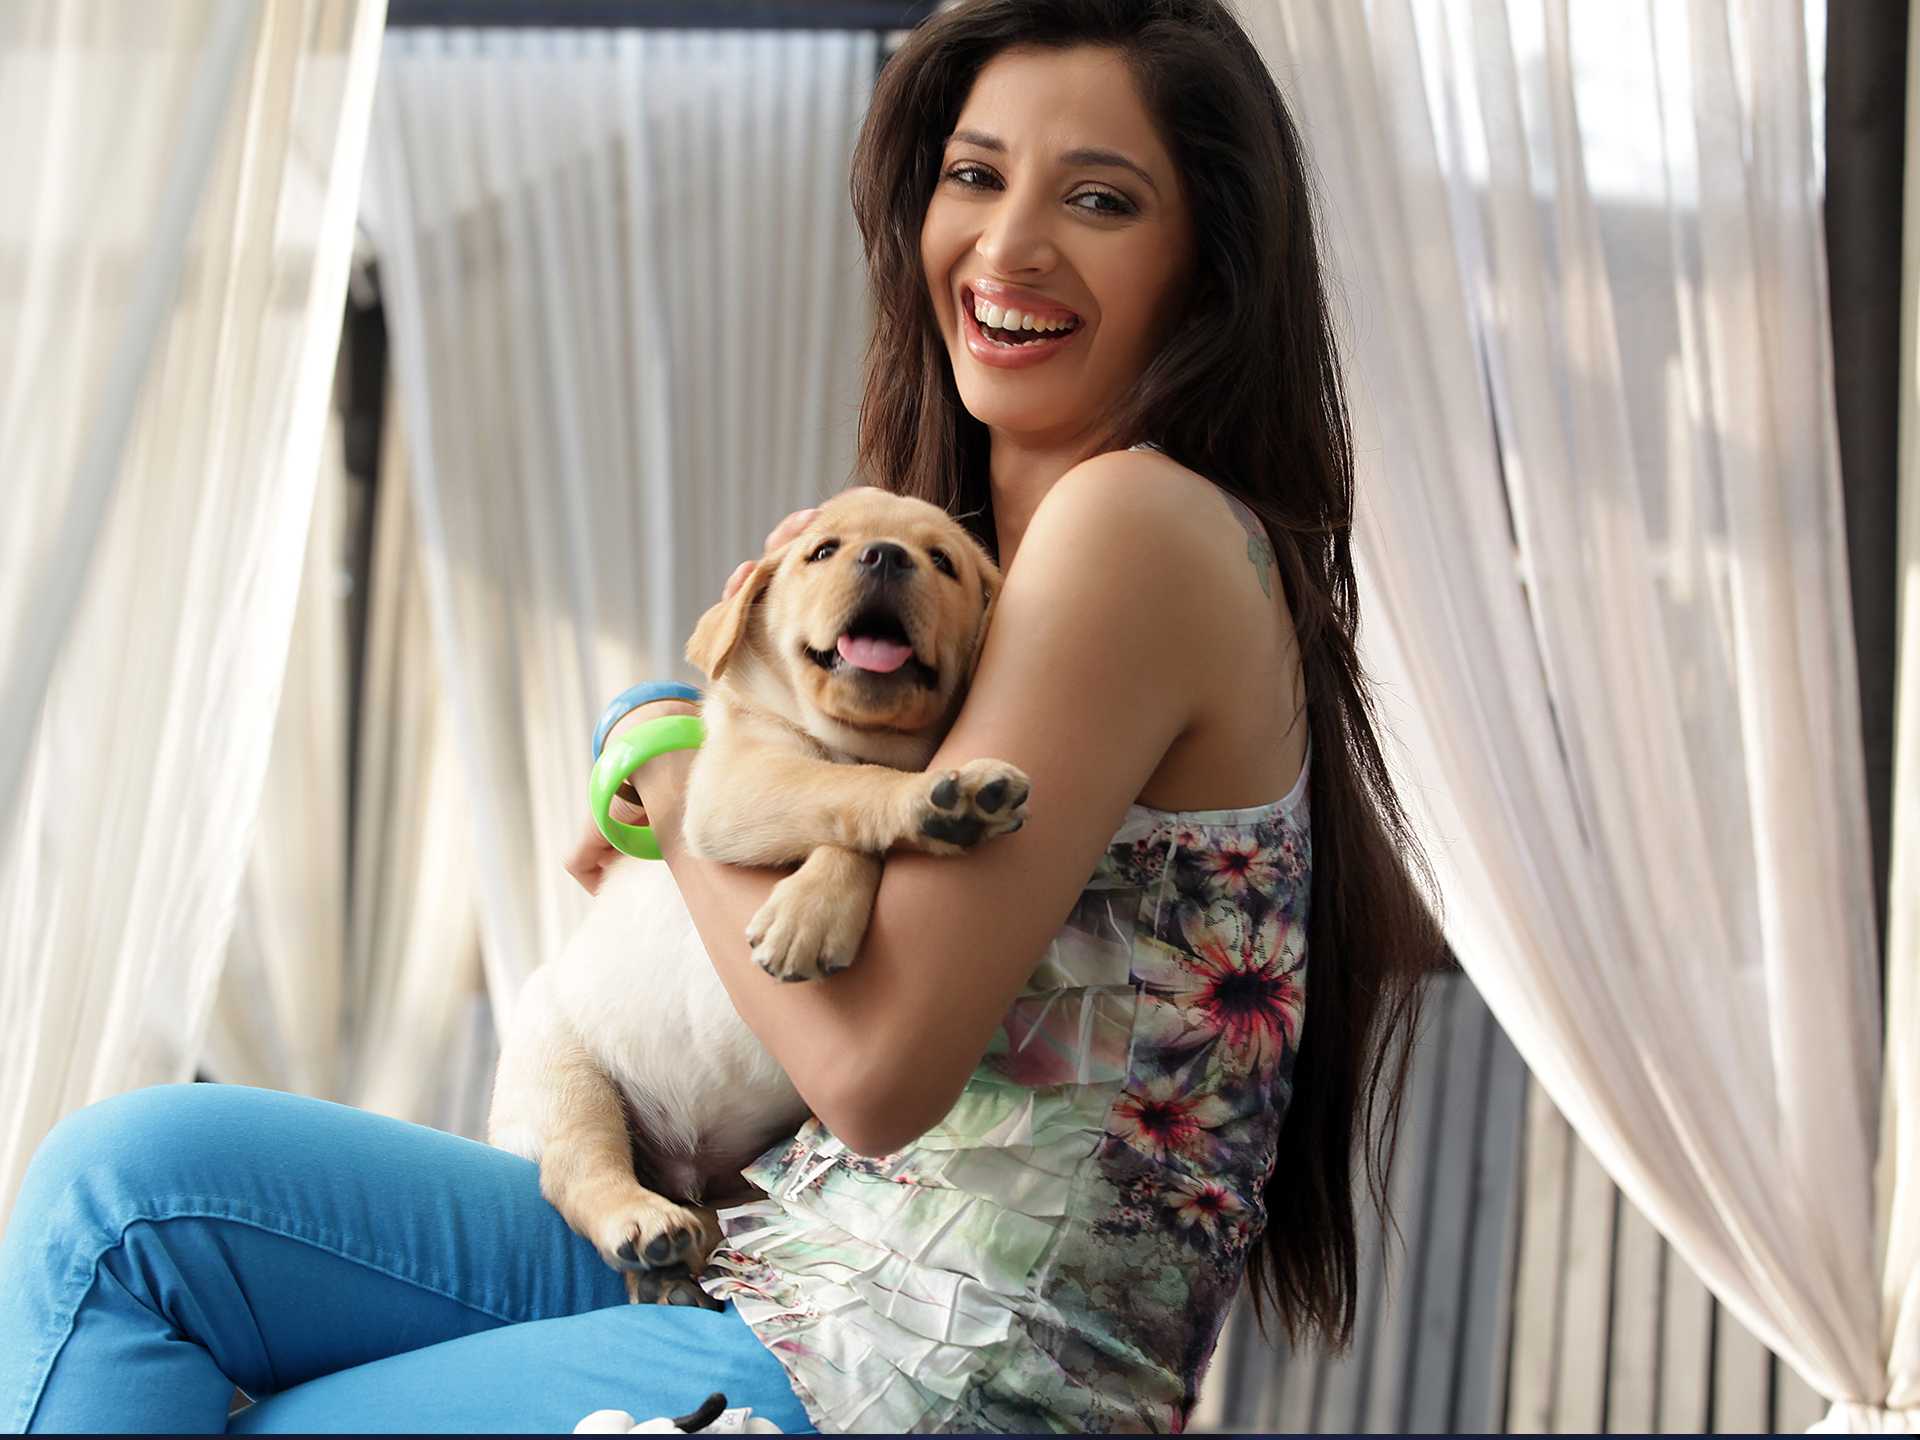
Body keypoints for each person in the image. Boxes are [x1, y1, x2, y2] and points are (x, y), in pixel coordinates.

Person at [0, 0, 1446, 1432]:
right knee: (121, 1199)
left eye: (1099, 198)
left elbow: (872, 1070)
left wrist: (670, 758)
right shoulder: (992, 571)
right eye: (974, 174)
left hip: (913, 1372)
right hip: (776, 1271)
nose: (1009, 245)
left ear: (1209, 267)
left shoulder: (1133, 524)